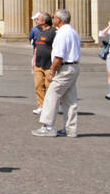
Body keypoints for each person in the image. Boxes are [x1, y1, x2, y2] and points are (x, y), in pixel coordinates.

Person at [32, 9, 81, 137]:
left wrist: (52, 72)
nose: (53, 19)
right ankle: (70, 129)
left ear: (59, 19)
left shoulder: (62, 33)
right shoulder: (73, 31)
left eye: (54, 17)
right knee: (70, 99)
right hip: (74, 66)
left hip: (64, 68)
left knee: (51, 95)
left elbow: (59, 56)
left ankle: (48, 126)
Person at [29, 13, 55, 115]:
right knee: (38, 85)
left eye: (38, 19)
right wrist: (34, 61)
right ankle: (41, 106)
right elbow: (36, 47)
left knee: (50, 86)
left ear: (44, 21)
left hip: (49, 63)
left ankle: (54, 106)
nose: (36, 20)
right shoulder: (39, 32)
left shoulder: (53, 32)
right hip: (38, 63)